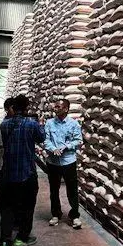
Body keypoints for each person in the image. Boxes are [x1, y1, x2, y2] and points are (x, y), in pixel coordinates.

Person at [0, 94, 44, 246]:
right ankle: (21, 238)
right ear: (26, 108)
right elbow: (41, 138)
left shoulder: (4, 124)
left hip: (8, 174)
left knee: (7, 208)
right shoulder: (31, 124)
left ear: (13, 107)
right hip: (27, 173)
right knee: (27, 207)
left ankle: (4, 242)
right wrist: (40, 124)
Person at [44, 98, 83, 229]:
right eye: (55, 107)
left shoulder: (73, 124)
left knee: (72, 190)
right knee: (54, 189)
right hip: (53, 162)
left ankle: (74, 216)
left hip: (68, 161)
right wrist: (52, 149)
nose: (55, 109)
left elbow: (78, 140)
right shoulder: (49, 123)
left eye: (58, 107)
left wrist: (66, 147)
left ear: (66, 109)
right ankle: (56, 214)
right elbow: (46, 140)